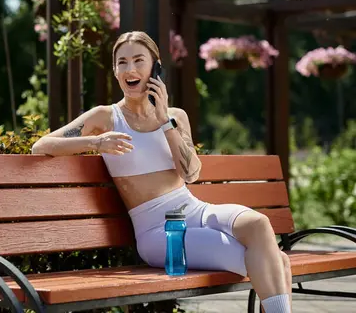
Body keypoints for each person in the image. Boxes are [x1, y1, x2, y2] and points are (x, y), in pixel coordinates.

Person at [31, 31, 292, 313]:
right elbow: (41, 146)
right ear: (115, 71)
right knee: (276, 261)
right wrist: (96, 141)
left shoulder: (176, 117)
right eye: (122, 63)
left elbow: (191, 174)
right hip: (158, 231)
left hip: (196, 210)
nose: (130, 69)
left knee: (259, 225)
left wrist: (164, 120)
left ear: (156, 67)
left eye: (138, 61)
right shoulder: (106, 118)